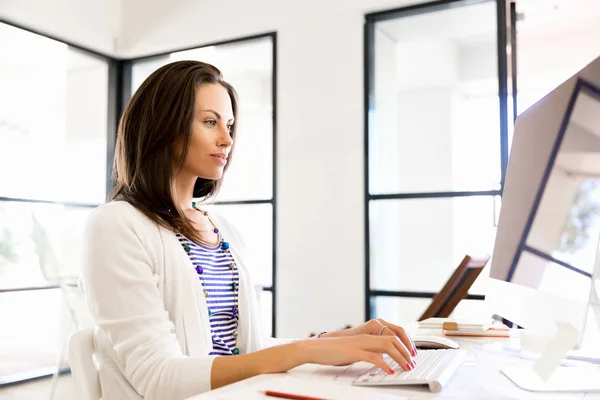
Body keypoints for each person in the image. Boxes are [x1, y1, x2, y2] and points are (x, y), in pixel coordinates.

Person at [81, 60, 417, 400]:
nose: (227, 139)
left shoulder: (222, 229)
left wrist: (332, 342)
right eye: (210, 122)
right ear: (164, 127)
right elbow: (160, 378)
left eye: (229, 125)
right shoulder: (116, 226)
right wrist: (304, 351)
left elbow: (247, 352)